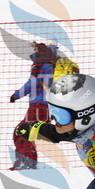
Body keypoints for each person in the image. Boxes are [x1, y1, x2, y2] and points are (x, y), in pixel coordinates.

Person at [8, 42, 58, 170]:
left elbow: (31, 84)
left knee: (22, 131)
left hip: (38, 107)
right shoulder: (51, 65)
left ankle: (27, 163)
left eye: (35, 49)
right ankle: (26, 161)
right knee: (23, 131)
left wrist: (16, 95)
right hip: (45, 107)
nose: (34, 52)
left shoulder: (41, 66)